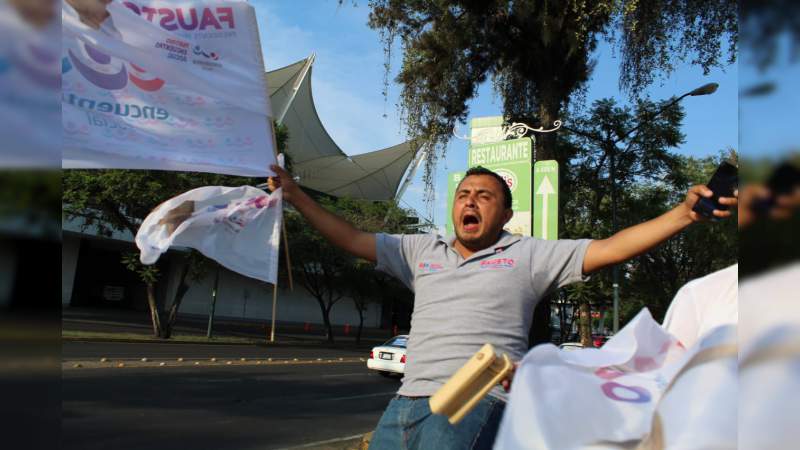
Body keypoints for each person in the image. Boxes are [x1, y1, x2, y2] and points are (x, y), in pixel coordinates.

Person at [268, 164, 736, 449]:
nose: (470, 201)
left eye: (484, 196)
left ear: (506, 214)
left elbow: (611, 248)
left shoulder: (528, 255)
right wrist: (295, 195)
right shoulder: (419, 249)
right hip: (403, 405)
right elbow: (351, 237)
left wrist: (684, 214)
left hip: (476, 399)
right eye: (463, 195)